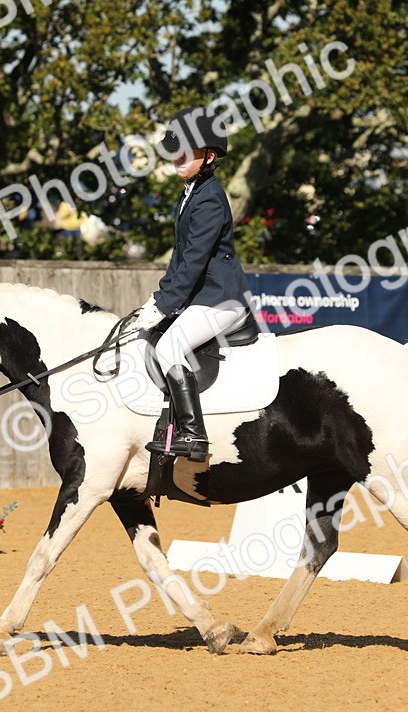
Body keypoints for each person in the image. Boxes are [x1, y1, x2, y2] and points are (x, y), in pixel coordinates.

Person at [131, 106, 254, 462]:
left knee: (169, 348)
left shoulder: (210, 199)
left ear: (209, 156)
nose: (177, 158)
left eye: (187, 152)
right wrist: (157, 299)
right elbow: (180, 260)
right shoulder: (190, 193)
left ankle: (193, 435)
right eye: (175, 150)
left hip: (221, 299)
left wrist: (164, 305)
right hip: (202, 297)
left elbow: (196, 260)